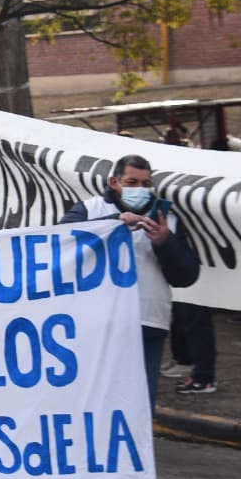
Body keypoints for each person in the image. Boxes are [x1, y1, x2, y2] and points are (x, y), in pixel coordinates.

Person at [60, 154, 200, 407]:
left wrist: (164, 243)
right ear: (114, 182)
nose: (140, 189)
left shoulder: (167, 219)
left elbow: (187, 276)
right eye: (132, 182)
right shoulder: (89, 210)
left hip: (147, 322)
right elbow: (61, 245)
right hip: (97, 323)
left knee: (141, 403)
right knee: (94, 401)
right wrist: (113, 223)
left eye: (146, 184)